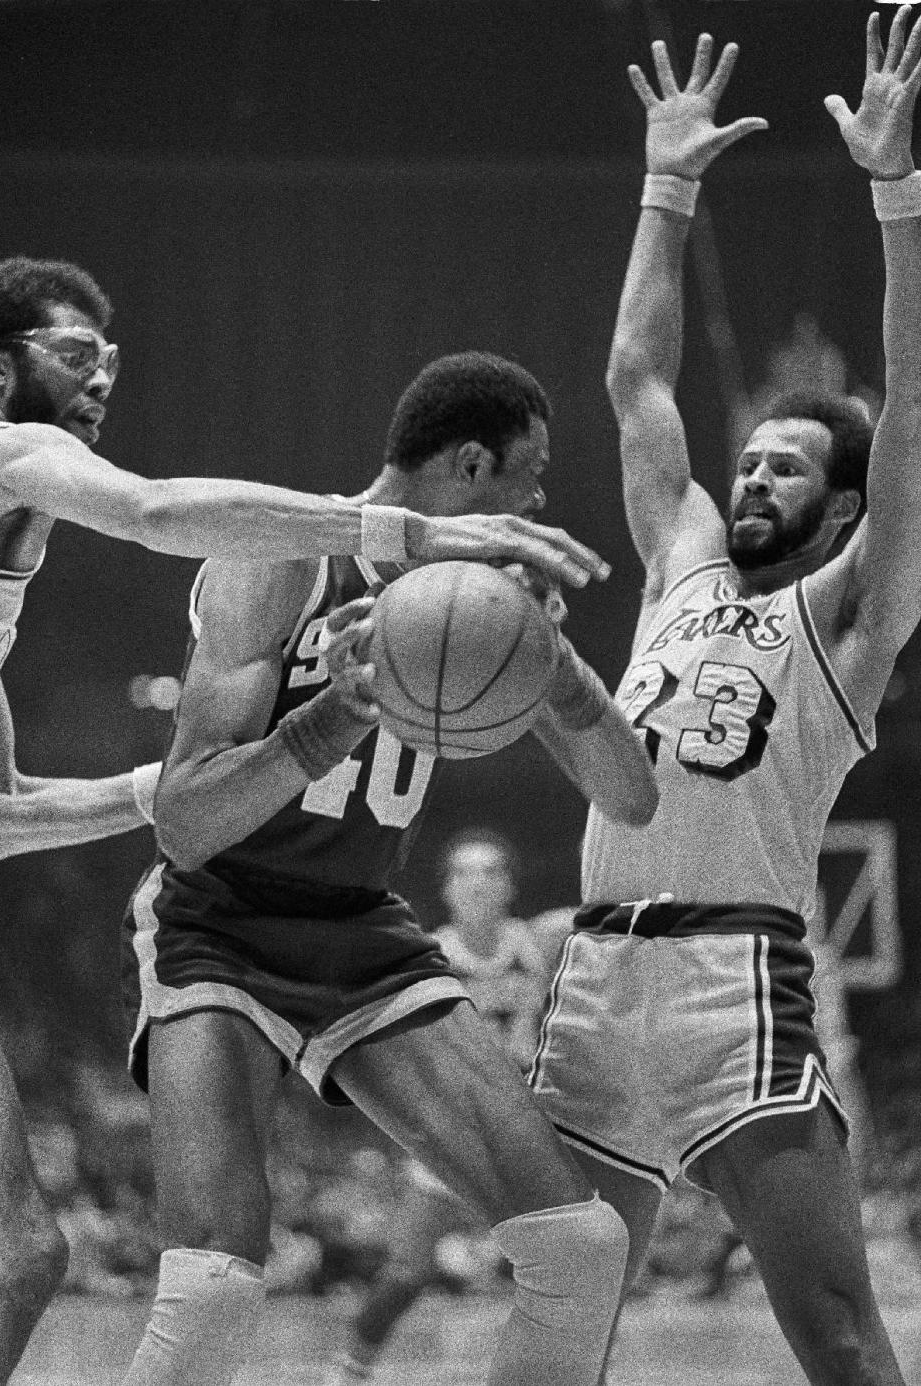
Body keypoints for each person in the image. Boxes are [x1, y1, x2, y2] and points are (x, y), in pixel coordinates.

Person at [0, 256, 608, 1386]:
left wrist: (180, 783)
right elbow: (158, 509)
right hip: (221, 931)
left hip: (354, 927)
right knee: (127, 1273)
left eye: (111, 359)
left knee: (20, 1256)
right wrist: (415, 539)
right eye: (75, 353)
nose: (101, 377)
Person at [119, 349, 658, 1386]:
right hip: (218, 923)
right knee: (218, 1291)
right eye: (529, 475)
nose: (539, 501)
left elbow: (631, 795)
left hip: (361, 925)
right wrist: (338, 711)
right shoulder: (280, 559)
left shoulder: (487, 602)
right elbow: (186, 823)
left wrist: (561, 668)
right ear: (468, 466)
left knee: (580, 1251)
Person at [529, 16, 921, 1385]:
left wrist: (896, 195)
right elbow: (636, 378)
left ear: (846, 506)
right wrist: (665, 185)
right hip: (591, 974)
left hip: (728, 977)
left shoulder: (850, 619)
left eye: (786, 470)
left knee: (835, 1336)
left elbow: (917, 405)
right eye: (747, 461)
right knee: (557, 1318)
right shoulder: (681, 564)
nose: (751, 480)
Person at [326, 828, 560, 1383]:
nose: (476, 883)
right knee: (407, 1270)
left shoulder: (542, 943)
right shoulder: (426, 953)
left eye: (489, 871)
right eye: (463, 872)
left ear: (509, 885)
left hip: (525, 1130)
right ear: (448, 888)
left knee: (566, 1266)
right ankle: (351, 1369)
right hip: (450, 1131)